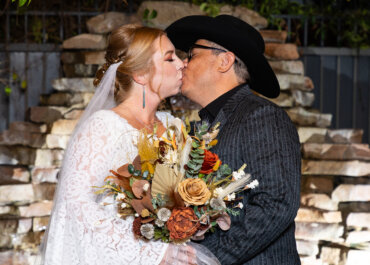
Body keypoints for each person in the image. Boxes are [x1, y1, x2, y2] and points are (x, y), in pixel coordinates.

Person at [36, 24, 218, 265]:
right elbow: (74, 204)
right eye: (169, 58)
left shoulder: (173, 125)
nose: (181, 63)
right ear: (140, 75)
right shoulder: (103, 127)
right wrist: (148, 254)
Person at [166, 15, 301, 265]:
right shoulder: (201, 126)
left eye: (192, 55)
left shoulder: (260, 116)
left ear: (225, 61)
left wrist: (208, 258)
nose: (183, 63)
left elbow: (277, 202)